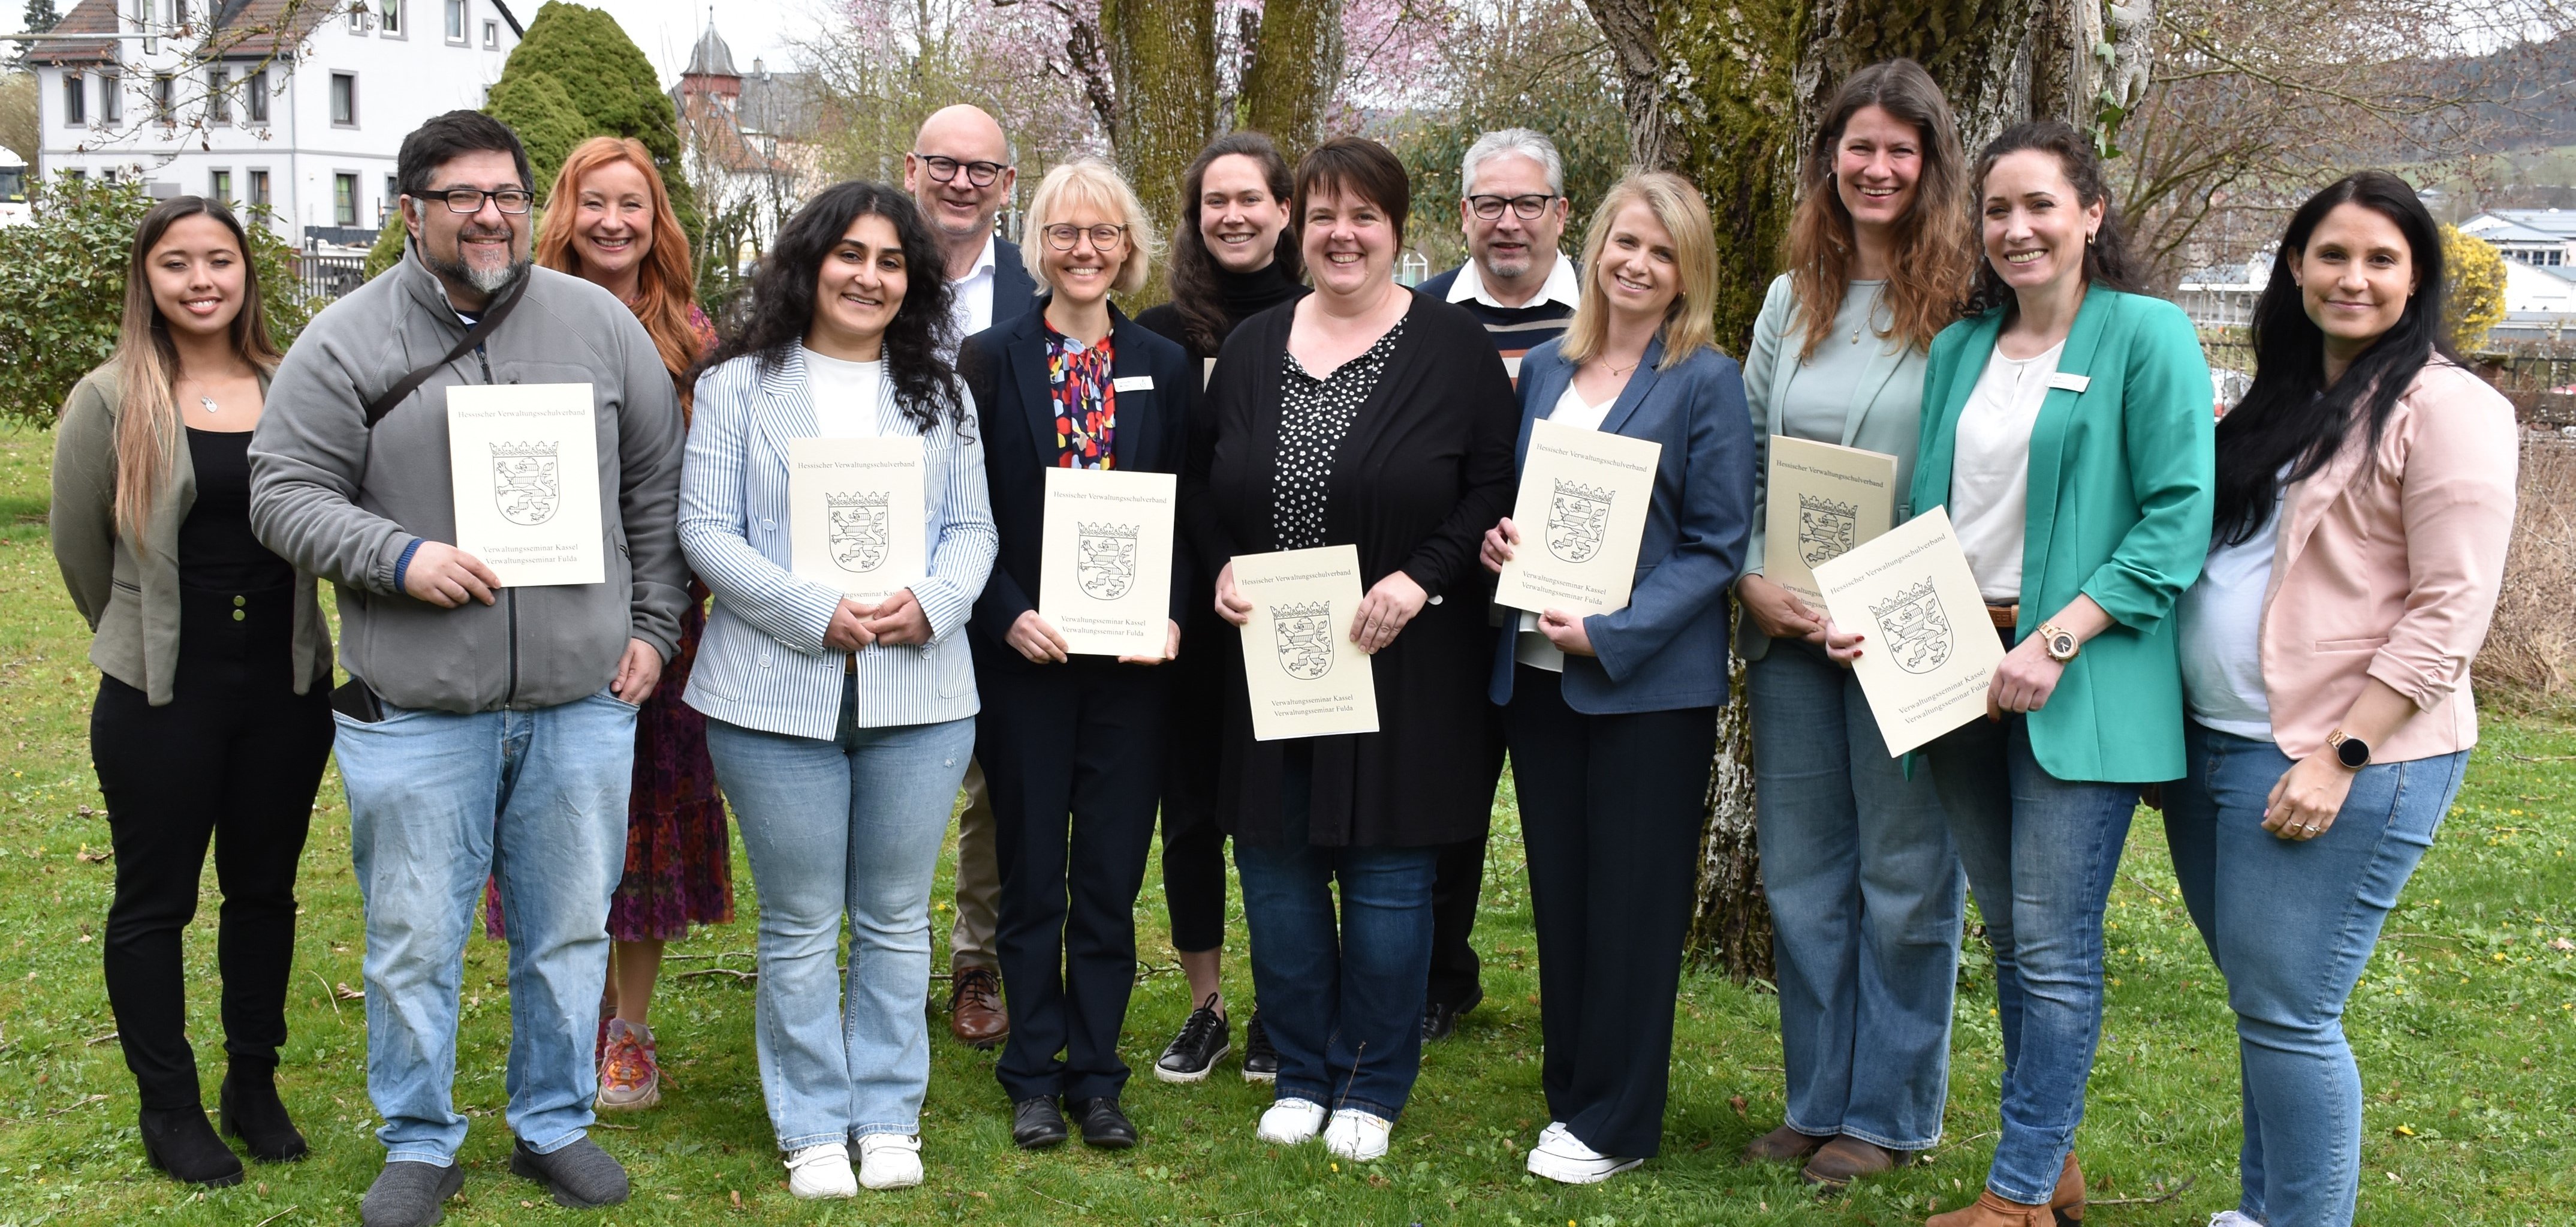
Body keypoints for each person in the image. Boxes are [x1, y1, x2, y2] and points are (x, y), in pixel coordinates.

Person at [250, 110, 687, 1226]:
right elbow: (282, 492)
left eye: (504, 192)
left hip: (579, 700)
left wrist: (652, 624)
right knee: (412, 939)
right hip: (418, 707)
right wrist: (397, 556)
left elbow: (654, 487)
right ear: (412, 209)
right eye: (460, 196)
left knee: (566, 928)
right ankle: (418, 1137)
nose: (487, 214)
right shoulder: (344, 339)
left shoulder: (595, 324)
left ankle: (552, 1122)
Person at [2164, 172, 2517, 1227]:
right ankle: (2265, 1210)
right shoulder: (2280, 395)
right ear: (2293, 266)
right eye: (2330, 254)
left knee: (2288, 1011)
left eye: (2378, 260)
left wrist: (2339, 755)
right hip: (2218, 746)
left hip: (2340, 755)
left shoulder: (2451, 408)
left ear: (2415, 281)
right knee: (2264, 1007)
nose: (2350, 278)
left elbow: (2449, 612)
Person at [1183, 136, 1519, 1163]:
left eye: (1364, 216)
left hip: (1403, 657)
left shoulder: (1453, 351)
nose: (1342, 234)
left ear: (1397, 229)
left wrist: (1422, 575)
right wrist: (1219, 570)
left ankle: (1371, 1077)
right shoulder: (1249, 350)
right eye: (1324, 213)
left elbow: (1494, 490)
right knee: (1276, 864)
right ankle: (1299, 1069)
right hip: (1273, 656)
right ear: (1297, 223)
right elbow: (1203, 485)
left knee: (1386, 873)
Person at [1906, 121, 2215, 1227]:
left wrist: (2056, 638)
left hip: (2074, 681)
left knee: (2051, 949)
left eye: (2040, 205)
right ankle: (2055, 1166)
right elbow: (1925, 516)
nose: (2016, 228)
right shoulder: (1959, 348)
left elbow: (2178, 521)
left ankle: (2016, 1197)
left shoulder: (2149, 335)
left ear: (2090, 212)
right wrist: (1876, 623)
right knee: (2009, 938)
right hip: (1952, 673)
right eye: (1996, 210)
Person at [678, 180, 996, 1199]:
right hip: (775, 689)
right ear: (809, 265)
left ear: (914, 278)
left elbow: (974, 531)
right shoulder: (737, 387)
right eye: (849, 256)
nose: (869, 276)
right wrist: (808, 608)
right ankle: (814, 1120)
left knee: (900, 914)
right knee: (803, 920)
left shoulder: (941, 393)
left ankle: (890, 1110)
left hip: (919, 689)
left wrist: (931, 602)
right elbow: (706, 532)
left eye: (891, 260)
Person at [51, 196, 336, 1189]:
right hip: (161, 695)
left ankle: (251, 1084)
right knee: (155, 901)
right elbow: (80, 550)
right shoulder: (110, 397)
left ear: (248, 274)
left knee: (264, 892)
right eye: (178, 264)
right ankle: (168, 1106)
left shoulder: (292, 386)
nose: (202, 280)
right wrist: (141, 635)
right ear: (149, 280)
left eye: (221, 260)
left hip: (285, 690)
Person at [1476, 172, 1754, 1184]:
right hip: (1540, 679)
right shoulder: (1549, 369)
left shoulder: (1704, 379)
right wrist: (1504, 539)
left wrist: (1615, 629)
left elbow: (1717, 545)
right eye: (1624, 243)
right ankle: (1575, 1095)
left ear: (1688, 273)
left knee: (1633, 905)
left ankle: (1619, 1120)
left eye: (1661, 252)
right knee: (1562, 895)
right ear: (1593, 247)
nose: (1636, 264)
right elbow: (1524, 503)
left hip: (1645, 687)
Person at [1733, 59, 1976, 1187]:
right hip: (1791, 628)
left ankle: (1887, 1111)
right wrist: (1748, 579)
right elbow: (1740, 452)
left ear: (1929, 165)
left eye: (1900, 149)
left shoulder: (1971, 301)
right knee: (1801, 877)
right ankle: (1814, 1096)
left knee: (1907, 878)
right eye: (1858, 146)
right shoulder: (1794, 298)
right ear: (1829, 157)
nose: (1876, 168)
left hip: (1913, 625)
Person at [477, 134, 730, 1115]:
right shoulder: (515, 318)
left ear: (656, 219)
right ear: (565, 213)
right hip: (541, 608)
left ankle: (627, 1025)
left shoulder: (693, 336)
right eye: (595, 203)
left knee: (645, 826)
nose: (614, 222)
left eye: (633, 204)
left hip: (661, 614)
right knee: (547, 818)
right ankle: (562, 1013)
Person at [957, 159, 1196, 1152]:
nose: (1084, 249)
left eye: (1102, 233)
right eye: (1064, 231)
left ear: (1129, 247)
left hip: (1132, 672)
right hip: (1026, 662)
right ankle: (1030, 1072)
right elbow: (963, 513)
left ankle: (1096, 1075)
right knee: (1030, 876)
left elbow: (1189, 510)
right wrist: (1005, 612)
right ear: (1037, 243)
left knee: (1104, 875)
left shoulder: (1165, 363)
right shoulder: (988, 357)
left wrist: (1176, 611)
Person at [1395, 126, 1579, 1044]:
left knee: (1566, 803)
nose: (1509, 223)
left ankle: (1581, 987)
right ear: (1462, 214)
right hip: (1450, 602)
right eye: (1490, 204)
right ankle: (1439, 972)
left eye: (1528, 203)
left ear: (1561, 212)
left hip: (1572, 609)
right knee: (1448, 792)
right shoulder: (1417, 314)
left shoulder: (1613, 310)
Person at [1132, 130, 1306, 1084]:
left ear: (1285, 210)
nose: (1232, 215)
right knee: (1190, 810)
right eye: (1214, 201)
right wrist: (1206, 571)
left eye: (1251, 199)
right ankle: (1204, 1005)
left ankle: (1284, 1006)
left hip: (1290, 605)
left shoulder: (1320, 316)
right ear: (1195, 216)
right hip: (1188, 612)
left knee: (1281, 810)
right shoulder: (1158, 329)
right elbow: (1168, 472)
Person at [903, 102, 1040, 1051]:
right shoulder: (864, 266)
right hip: (873, 569)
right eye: (943, 165)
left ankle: (975, 962)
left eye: (981, 169)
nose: (961, 182)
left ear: (1006, 183)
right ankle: (880, 961)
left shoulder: (1041, 291)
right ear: (910, 168)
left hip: (1001, 573)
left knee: (996, 785)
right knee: (885, 776)